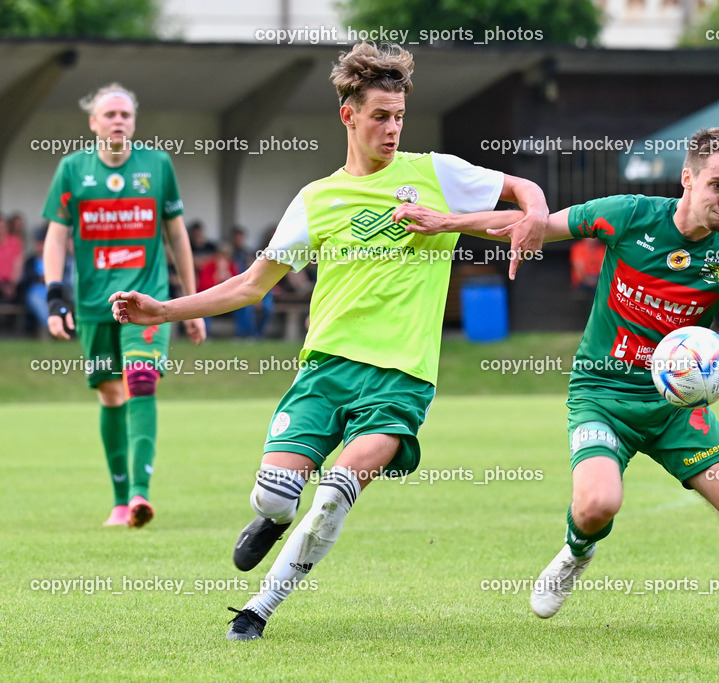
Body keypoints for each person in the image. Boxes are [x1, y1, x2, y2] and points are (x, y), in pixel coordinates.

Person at [109, 42, 548, 640]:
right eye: (379, 116)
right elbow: (248, 287)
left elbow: (525, 198)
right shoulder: (316, 200)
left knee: (336, 495)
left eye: (399, 116)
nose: (392, 128)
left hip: (401, 377)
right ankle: (271, 517)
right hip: (325, 371)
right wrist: (162, 310)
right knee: (274, 497)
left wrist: (461, 221)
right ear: (348, 115)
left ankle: (256, 610)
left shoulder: (438, 174)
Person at [398, 127, 719, 635]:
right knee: (597, 505)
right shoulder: (631, 215)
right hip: (603, 395)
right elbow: (535, 224)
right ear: (688, 179)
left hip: (676, 407)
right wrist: (448, 222)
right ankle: (575, 552)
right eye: (717, 186)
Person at [41, 82, 206, 528]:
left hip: (146, 301)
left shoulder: (158, 165)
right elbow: (56, 236)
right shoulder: (72, 170)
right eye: (109, 114)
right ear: (93, 123)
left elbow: (177, 235)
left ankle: (139, 494)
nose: (118, 121)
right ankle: (118, 500)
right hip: (94, 305)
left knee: (141, 380)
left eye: (125, 115)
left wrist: (190, 304)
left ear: (134, 123)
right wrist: (54, 295)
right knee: (111, 394)